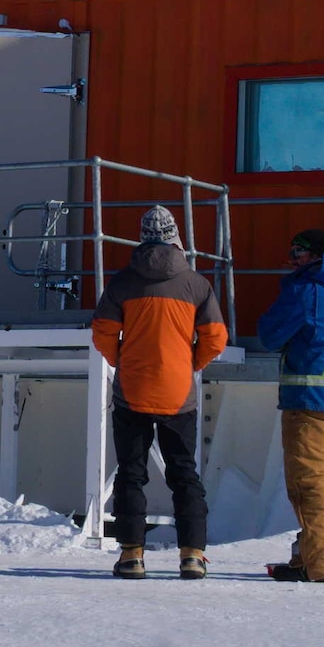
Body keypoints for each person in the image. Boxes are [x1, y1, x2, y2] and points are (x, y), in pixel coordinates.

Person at [89, 204, 228, 578]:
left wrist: (122, 359)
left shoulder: (122, 283)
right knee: (184, 472)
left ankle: (132, 555)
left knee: (131, 473)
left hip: (132, 390)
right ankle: (192, 555)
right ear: (175, 237)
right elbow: (216, 338)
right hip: (178, 392)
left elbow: (102, 331)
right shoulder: (196, 284)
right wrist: (191, 363)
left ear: (143, 237)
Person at [249, 230, 324, 583]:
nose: (292, 257)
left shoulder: (306, 289)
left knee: (307, 485)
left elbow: (269, 334)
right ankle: (307, 557)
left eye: (297, 251)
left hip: (308, 399)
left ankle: (319, 566)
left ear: (315, 255)